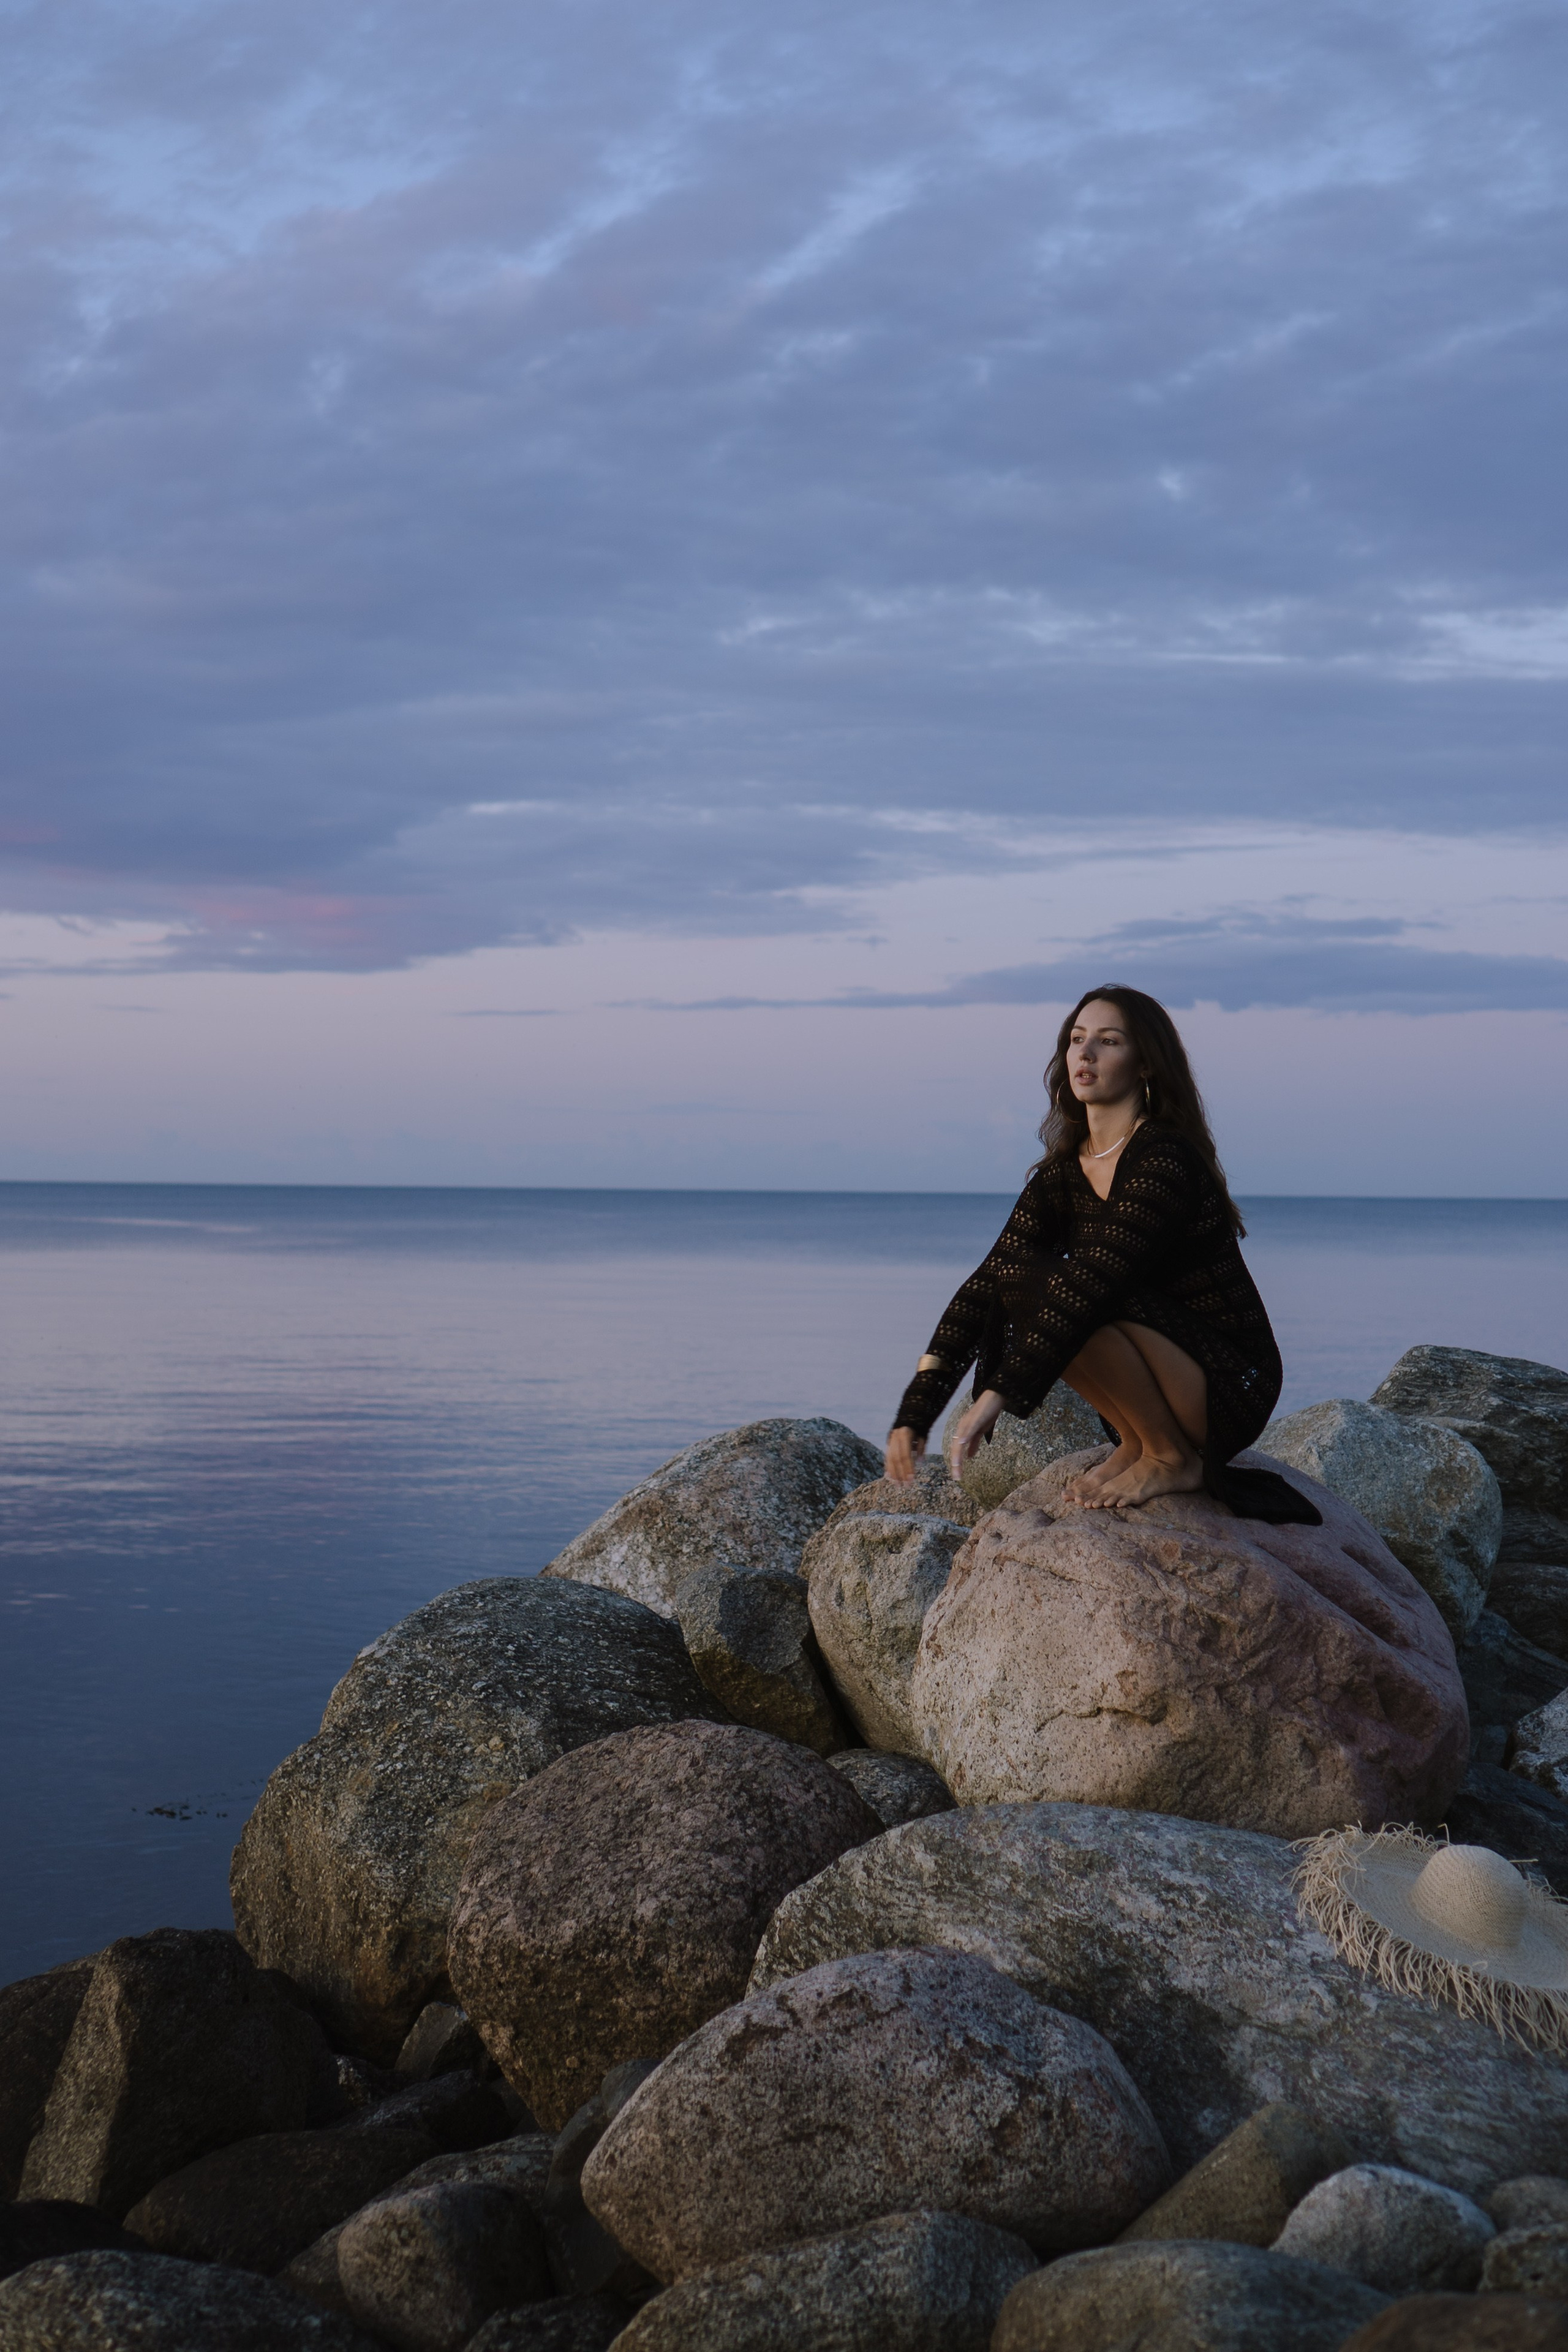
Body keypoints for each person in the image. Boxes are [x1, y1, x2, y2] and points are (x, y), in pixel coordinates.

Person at [884, 985, 1319, 1525]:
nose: (1085, 1054)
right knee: (1020, 1280)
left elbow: (1095, 1281)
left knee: (1066, 1292)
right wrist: (917, 1410)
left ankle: (1170, 1455)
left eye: (1108, 1041)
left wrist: (999, 1393)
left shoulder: (1165, 1159)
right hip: (1160, 1362)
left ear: (1145, 1066)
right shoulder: (1062, 1175)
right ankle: (1140, 1443)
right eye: (1076, 1039)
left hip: (1224, 1380)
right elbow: (987, 1284)